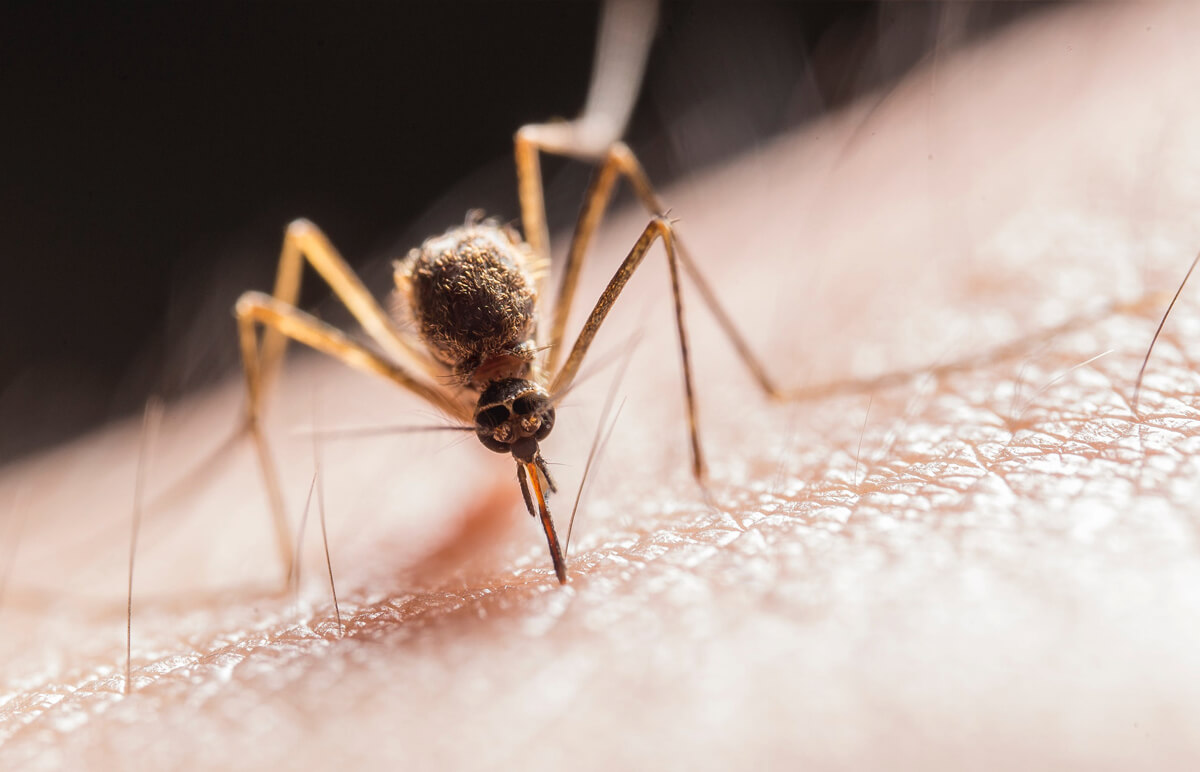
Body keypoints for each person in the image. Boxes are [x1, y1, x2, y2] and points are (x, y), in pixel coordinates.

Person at [2, 2, 1199, 768]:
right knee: (281, 289)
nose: (525, 441)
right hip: (454, 301)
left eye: (519, 422)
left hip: (500, 289)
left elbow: (638, 194)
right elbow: (273, 309)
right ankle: (262, 552)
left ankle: (764, 396)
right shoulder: (458, 379)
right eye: (511, 423)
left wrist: (703, 440)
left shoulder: (535, 364)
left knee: (624, 199)